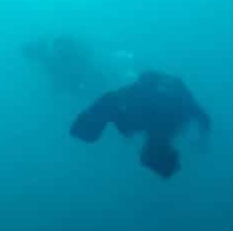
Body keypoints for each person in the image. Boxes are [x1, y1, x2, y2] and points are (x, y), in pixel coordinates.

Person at [70, 71, 211, 178]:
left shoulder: (174, 121)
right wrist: (202, 140)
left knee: (124, 124)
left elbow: (203, 118)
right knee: (124, 123)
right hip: (149, 98)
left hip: (150, 97)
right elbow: (202, 117)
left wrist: (202, 139)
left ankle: (90, 128)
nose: (141, 149)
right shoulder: (160, 117)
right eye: (144, 153)